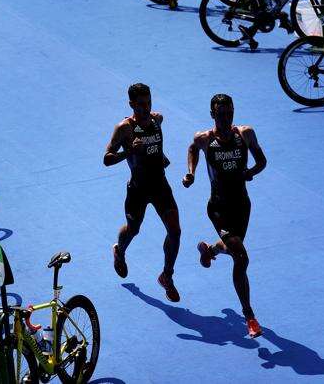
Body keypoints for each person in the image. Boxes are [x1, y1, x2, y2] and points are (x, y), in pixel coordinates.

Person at [182, 94, 267, 338]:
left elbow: (262, 161)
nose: (226, 118)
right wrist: (191, 173)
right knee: (241, 257)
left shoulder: (245, 134)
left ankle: (210, 250)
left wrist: (251, 172)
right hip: (218, 208)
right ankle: (249, 316)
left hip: (242, 205)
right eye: (221, 114)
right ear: (212, 114)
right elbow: (192, 149)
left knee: (233, 248)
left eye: (229, 113)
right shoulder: (204, 139)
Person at [104, 83, 182, 302]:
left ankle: (167, 276)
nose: (146, 108)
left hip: (160, 187)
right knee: (133, 229)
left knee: (175, 231)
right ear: (131, 104)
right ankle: (119, 251)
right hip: (138, 190)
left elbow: (154, 144)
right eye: (140, 104)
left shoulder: (157, 120)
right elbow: (107, 158)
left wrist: (160, 157)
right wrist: (129, 150)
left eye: (148, 103)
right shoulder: (124, 128)